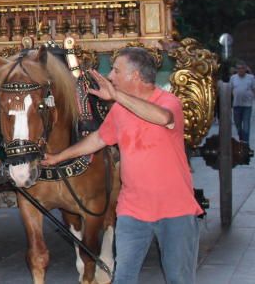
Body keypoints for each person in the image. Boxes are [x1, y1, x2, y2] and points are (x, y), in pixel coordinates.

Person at [42, 47, 202, 284]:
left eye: (116, 71)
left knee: (179, 278)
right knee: (123, 277)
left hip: (175, 209)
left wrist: (116, 96)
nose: (110, 76)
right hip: (133, 210)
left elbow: (162, 118)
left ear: (135, 76)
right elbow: (97, 139)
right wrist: (59, 157)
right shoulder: (119, 111)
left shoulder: (169, 102)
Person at [230, 63, 255, 149]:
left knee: (246, 125)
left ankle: (246, 144)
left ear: (245, 69)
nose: (241, 70)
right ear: (237, 70)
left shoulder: (251, 78)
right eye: (239, 69)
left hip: (247, 105)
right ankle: (241, 139)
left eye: (242, 68)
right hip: (236, 105)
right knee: (238, 125)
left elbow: (254, 89)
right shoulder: (233, 78)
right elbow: (230, 89)